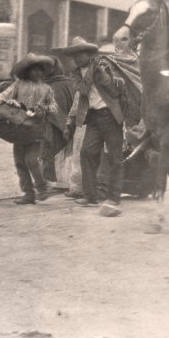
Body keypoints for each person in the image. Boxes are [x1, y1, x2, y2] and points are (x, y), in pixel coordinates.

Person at [57, 37, 126, 217]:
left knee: (115, 157)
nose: (78, 58)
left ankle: (114, 196)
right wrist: (71, 121)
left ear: (89, 54)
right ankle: (90, 196)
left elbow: (114, 91)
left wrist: (104, 77)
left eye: (82, 54)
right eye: (75, 55)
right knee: (87, 152)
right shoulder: (76, 74)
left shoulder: (103, 66)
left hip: (111, 116)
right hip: (93, 117)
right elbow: (81, 96)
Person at [0, 54, 58, 204]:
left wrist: (44, 108)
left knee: (32, 160)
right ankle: (28, 194)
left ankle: (42, 187)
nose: (37, 73)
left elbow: (54, 107)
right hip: (18, 127)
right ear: (27, 72)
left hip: (37, 128)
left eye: (40, 70)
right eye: (34, 70)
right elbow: (3, 95)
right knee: (20, 162)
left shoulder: (47, 89)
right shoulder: (18, 85)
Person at [42, 56, 76, 186]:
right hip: (69, 124)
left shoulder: (49, 86)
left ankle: (49, 180)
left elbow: (54, 111)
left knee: (49, 150)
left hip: (53, 126)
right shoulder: (69, 82)